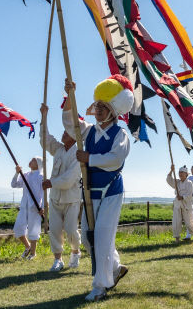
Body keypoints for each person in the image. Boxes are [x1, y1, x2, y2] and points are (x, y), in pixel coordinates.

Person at [64, 75, 133, 302]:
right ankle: (114, 268)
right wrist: (70, 97)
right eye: (97, 106)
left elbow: (116, 159)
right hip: (90, 192)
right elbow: (69, 124)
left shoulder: (120, 133)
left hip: (111, 191)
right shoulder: (88, 131)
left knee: (102, 236)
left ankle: (100, 287)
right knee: (88, 237)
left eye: (104, 106)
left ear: (113, 109)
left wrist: (89, 158)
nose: (99, 109)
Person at [40, 106, 82, 272]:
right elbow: (45, 139)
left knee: (71, 229)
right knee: (55, 230)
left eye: (67, 132)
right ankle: (58, 259)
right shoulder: (58, 149)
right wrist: (44, 117)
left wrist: (51, 182)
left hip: (71, 198)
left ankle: (75, 251)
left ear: (74, 136)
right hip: (56, 197)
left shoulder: (78, 153)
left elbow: (69, 178)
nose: (63, 134)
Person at [11, 158, 44, 260]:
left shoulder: (41, 177)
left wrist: (43, 208)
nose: (30, 160)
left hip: (35, 207)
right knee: (18, 228)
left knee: (34, 230)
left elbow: (45, 193)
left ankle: (33, 254)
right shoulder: (25, 174)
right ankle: (28, 246)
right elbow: (14, 184)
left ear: (38, 164)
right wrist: (17, 173)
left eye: (33, 160)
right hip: (24, 205)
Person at [167, 165, 193, 243]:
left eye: (182, 172)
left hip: (186, 204)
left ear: (186, 174)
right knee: (176, 221)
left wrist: (182, 197)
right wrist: (171, 171)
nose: (180, 174)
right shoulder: (177, 182)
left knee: (189, 222)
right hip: (177, 204)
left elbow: (189, 194)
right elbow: (169, 180)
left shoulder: (189, 183)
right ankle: (177, 238)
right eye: (179, 172)